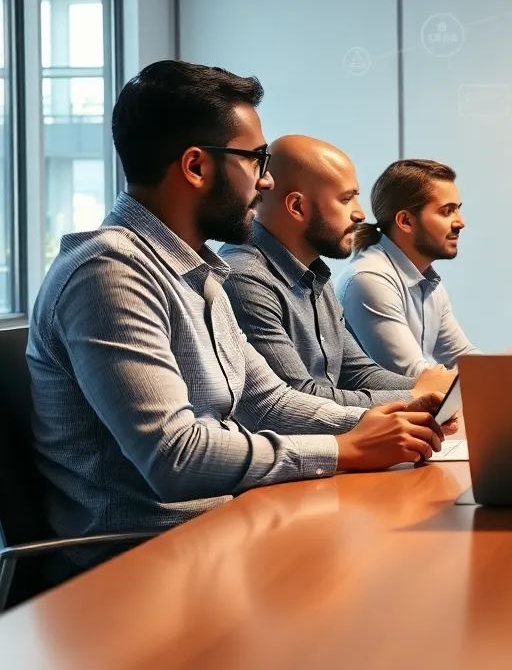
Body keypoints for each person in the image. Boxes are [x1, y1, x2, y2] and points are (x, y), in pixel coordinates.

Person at [26, 61, 452, 578]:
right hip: (137, 565)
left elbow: (264, 399)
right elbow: (174, 457)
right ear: (196, 167)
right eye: (255, 159)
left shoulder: (199, 270)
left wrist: (380, 421)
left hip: (218, 532)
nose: (266, 179)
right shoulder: (109, 274)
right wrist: (340, 449)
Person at [219, 135, 457, 407]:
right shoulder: (245, 278)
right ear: (297, 206)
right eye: (346, 200)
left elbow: (357, 372)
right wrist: (415, 395)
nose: (360, 214)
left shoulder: (314, 273)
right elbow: (300, 398)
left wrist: (437, 388)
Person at [336, 159, 478, 375]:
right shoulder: (369, 279)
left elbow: (463, 357)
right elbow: (415, 377)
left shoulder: (429, 283)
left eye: (457, 210)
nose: (460, 222)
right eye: (447, 211)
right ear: (406, 221)